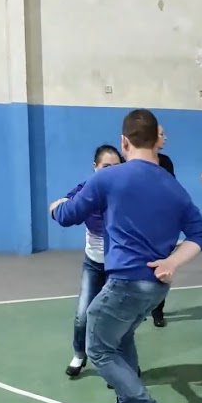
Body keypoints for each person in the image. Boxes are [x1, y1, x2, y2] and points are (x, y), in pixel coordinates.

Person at [50, 109, 202, 403]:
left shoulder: (108, 178)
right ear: (157, 140)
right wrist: (172, 262)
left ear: (124, 142)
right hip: (156, 285)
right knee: (122, 337)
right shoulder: (174, 186)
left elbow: (67, 216)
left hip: (126, 282)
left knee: (98, 345)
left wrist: (55, 205)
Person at [62, 145, 124, 377]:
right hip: (93, 264)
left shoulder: (126, 193)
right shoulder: (86, 190)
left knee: (118, 318)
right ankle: (79, 355)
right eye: (106, 166)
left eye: (116, 167)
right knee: (83, 313)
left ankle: (121, 362)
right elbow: (67, 205)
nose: (111, 171)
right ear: (95, 167)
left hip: (118, 267)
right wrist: (57, 206)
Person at [150, 125, 176, 327]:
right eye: (161, 135)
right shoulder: (129, 163)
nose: (165, 138)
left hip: (161, 226)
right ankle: (137, 309)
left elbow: (172, 189)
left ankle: (158, 311)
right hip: (138, 226)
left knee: (162, 268)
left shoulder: (166, 162)